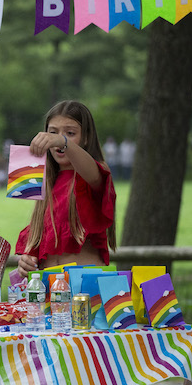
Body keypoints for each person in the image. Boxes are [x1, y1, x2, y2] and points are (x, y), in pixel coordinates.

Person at [14, 100, 117, 279]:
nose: (57, 139)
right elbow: (40, 234)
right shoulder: (43, 179)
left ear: (86, 137)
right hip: (49, 290)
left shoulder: (96, 172)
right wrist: (27, 259)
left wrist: (63, 141)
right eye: (52, 132)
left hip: (85, 289)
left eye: (70, 133)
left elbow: (93, 174)